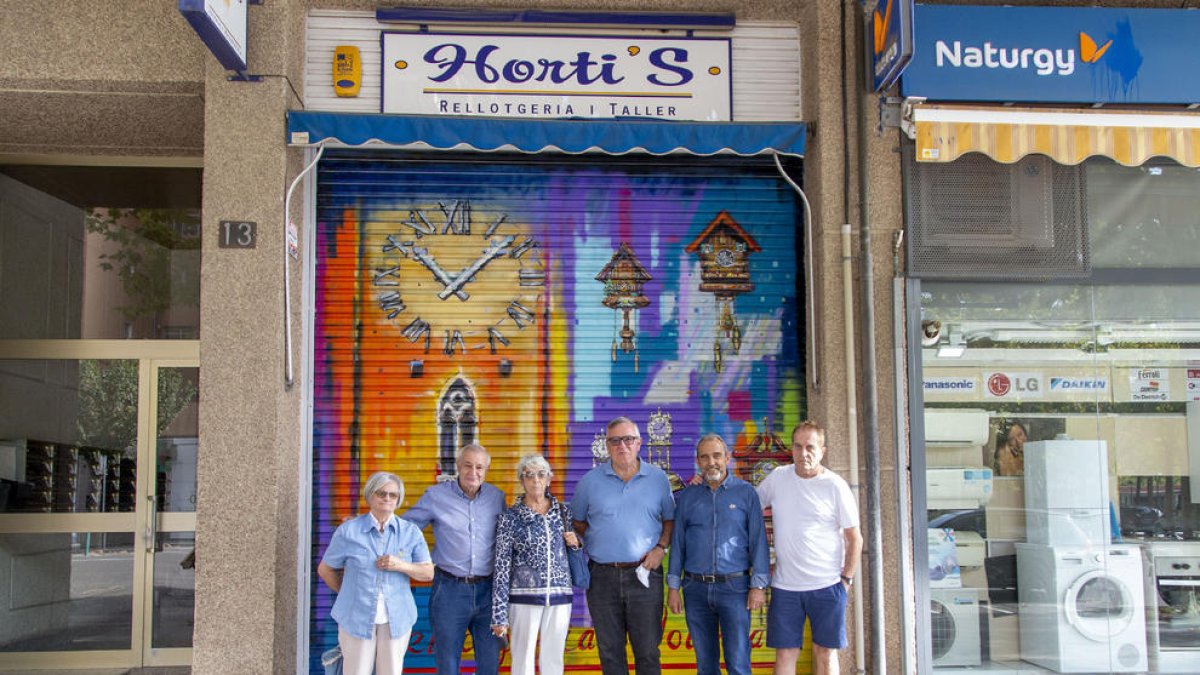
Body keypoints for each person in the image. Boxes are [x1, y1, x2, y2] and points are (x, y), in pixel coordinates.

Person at [756, 421, 862, 675]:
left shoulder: (835, 486)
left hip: (827, 586)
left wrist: (845, 580)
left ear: (822, 451)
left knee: (824, 653)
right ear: (791, 449)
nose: (804, 453)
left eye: (810, 447)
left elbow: (854, 538)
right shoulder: (778, 477)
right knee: (785, 653)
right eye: (798, 446)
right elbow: (749, 505)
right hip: (785, 587)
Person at [571, 416, 675, 675]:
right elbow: (578, 522)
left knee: (648, 651)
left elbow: (670, 520)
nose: (622, 445)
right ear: (607, 446)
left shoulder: (658, 479)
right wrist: (602, 541)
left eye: (628, 439)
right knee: (609, 652)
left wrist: (661, 547)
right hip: (602, 577)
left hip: (645, 575)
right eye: (615, 440)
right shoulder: (589, 482)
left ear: (639, 443)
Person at [667, 434, 770, 675]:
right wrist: (673, 587)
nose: (711, 462)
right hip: (695, 590)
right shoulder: (688, 498)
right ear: (698, 461)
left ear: (728, 457)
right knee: (705, 664)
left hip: (735, 588)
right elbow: (679, 544)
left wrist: (758, 585)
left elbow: (758, 541)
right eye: (705, 457)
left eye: (716, 455)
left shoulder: (746, 493)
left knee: (738, 663)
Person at [402, 444, 506, 675]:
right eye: (467, 465)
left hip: (489, 592)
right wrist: (369, 526)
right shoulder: (435, 496)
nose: (473, 472)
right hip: (449, 590)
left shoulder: (497, 497)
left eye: (479, 467)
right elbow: (407, 529)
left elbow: (508, 538)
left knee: (489, 664)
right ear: (458, 466)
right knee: (447, 663)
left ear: (486, 470)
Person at [317, 471, 434, 675]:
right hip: (356, 617)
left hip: (397, 618)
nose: (387, 498)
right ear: (370, 495)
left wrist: (401, 565)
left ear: (398, 499)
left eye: (393, 495)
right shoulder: (348, 531)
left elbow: (428, 572)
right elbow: (326, 569)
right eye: (381, 493)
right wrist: (347, 594)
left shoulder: (410, 532)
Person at [490, 454, 580, 675]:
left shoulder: (563, 512)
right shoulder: (509, 518)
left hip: (560, 597)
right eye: (529, 475)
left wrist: (576, 543)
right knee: (522, 661)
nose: (536, 480)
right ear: (522, 480)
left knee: (554, 660)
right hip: (522, 598)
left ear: (549, 479)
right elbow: (501, 567)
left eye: (541, 474)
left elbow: (572, 549)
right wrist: (499, 614)